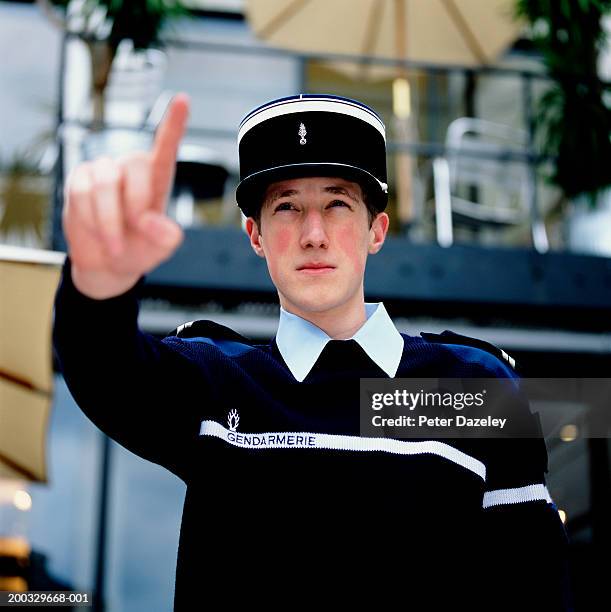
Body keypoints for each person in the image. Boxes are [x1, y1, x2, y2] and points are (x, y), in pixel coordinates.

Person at [52, 93, 572, 610]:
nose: (314, 234)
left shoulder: (473, 391)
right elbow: (107, 370)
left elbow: (537, 591)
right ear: (256, 235)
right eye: (287, 207)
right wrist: (101, 285)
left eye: (338, 204)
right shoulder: (216, 386)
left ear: (377, 230)